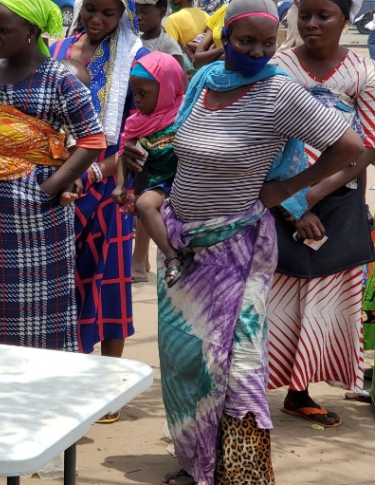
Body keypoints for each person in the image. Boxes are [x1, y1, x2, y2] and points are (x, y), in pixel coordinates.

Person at [140, 0, 364, 482]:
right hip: (184, 246)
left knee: (238, 363)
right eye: (247, 42)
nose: (258, 52)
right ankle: (194, 459)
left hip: (238, 246)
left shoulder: (280, 93)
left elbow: (350, 147)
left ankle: (241, 473)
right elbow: (181, 143)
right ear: (227, 39)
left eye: (269, 43)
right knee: (187, 360)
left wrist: (285, 189)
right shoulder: (204, 81)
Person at [0, 0, 105, 351]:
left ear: (32, 33)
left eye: (4, 30)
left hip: (36, 217)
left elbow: (93, 140)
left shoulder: (59, 78)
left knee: (38, 308)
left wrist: (48, 188)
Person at [265, 0, 375, 429]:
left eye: (323, 16)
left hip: (337, 197)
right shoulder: (279, 66)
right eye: (304, 15)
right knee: (278, 294)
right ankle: (262, 387)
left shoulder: (363, 73)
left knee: (327, 296)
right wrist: (291, 205)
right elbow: (266, 136)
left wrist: (311, 195)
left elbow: (366, 146)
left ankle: (301, 390)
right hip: (276, 194)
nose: (310, 24)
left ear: (345, 20)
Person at [51, 0, 148, 372]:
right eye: (91, 9)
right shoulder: (59, 49)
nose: (97, 19)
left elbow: (137, 136)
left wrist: (93, 173)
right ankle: (65, 368)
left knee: (109, 280)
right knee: (59, 280)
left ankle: (108, 377)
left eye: (109, 13)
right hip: (59, 180)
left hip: (109, 183)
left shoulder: (136, 57)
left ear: (124, 15)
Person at [111, 52, 187, 286]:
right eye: (134, 94)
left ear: (166, 89)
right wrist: (121, 186)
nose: (137, 100)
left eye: (143, 94)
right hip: (159, 183)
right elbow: (124, 152)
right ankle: (172, 257)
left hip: (186, 183)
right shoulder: (137, 122)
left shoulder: (185, 115)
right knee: (144, 205)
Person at [134, 0, 191, 71]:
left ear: (162, 12)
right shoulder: (136, 41)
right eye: (136, 12)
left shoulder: (168, 45)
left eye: (144, 12)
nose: (138, 17)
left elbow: (180, 78)